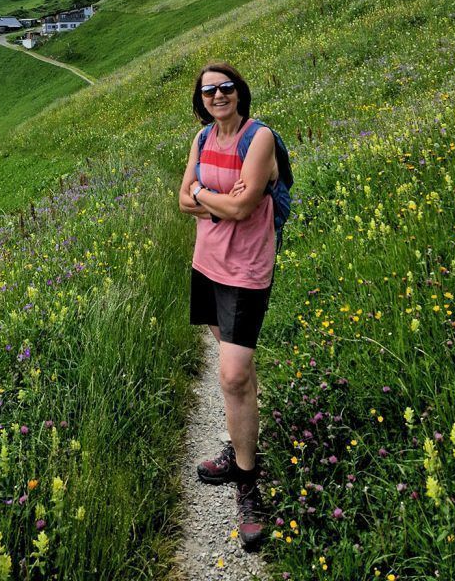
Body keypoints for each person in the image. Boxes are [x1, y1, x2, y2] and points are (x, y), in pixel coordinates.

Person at [178, 61, 278, 551]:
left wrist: (209, 198)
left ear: (240, 92)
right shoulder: (201, 140)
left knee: (234, 375)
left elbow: (244, 209)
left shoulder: (259, 139)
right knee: (238, 373)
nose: (218, 96)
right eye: (209, 91)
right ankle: (241, 445)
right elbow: (183, 199)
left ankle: (248, 487)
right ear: (200, 100)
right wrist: (212, 193)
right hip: (207, 264)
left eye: (226, 88)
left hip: (245, 271)